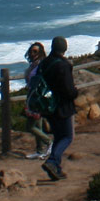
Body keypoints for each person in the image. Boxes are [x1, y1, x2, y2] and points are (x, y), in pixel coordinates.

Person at [39, 36, 77, 181]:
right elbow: (68, 90)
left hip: (47, 105)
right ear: (64, 49)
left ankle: (56, 169)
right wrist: (75, 93)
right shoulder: (63, 64)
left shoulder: (45, 63)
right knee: (68, 136)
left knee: (58, 137)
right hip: (62, 106)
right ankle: (52, 161)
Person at [20, 42, 52, 158]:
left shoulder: (41, 65)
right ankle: (40, 151)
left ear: (41, 52)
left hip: (38, 97)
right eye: (31, 51)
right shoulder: (33, 65)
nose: (32, 53)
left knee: (30, 126)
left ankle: (48, 141)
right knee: (37, 124)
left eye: (35, 51)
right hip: (31, 96)